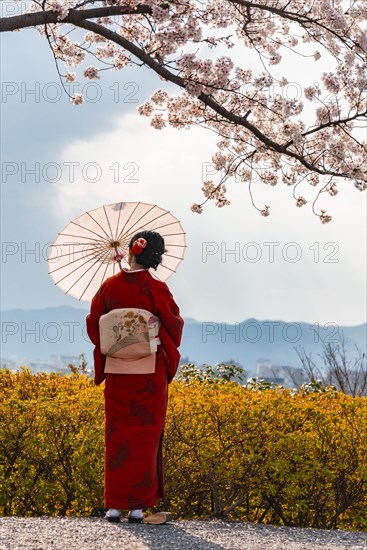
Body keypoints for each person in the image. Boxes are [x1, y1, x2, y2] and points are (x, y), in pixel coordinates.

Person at [86, 230, 184, 524]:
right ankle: (138, 508)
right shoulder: (157, 288)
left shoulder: (109, 287)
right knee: (145, 437)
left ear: (131, 251)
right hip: (148, 373)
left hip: (118, 371)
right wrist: (148, 326)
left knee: (118, 436)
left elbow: (94, 326)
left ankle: (114, 506)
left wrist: (120, 326)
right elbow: (174, 327)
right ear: (156, 256)